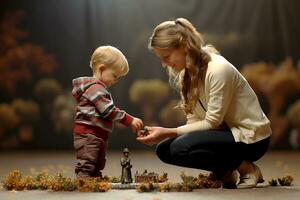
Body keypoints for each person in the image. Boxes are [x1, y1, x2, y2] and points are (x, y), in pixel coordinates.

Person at [137, 18, 272, 189]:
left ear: (183, 44)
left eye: (166, 56)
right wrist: (169, 135)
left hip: (251, 139)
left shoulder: (218, 69)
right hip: (222, 135)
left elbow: (212, 122)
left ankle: (248, 169)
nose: (164, 64)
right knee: (164, 150)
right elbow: (194, 120)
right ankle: (224, 171)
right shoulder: (184, 75)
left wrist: (168, 131)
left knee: (179, 145)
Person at [72, 45, 143, 178]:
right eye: (115, 76)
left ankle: (94, 179)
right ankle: (83, 182)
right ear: (102, 69)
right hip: (88, 134)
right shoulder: (95, 88)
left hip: (97, 134)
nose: (116, 81)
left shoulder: (99, 88)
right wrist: (129, 120)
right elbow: (108, 110)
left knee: (97, 163)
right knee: (88, 162)